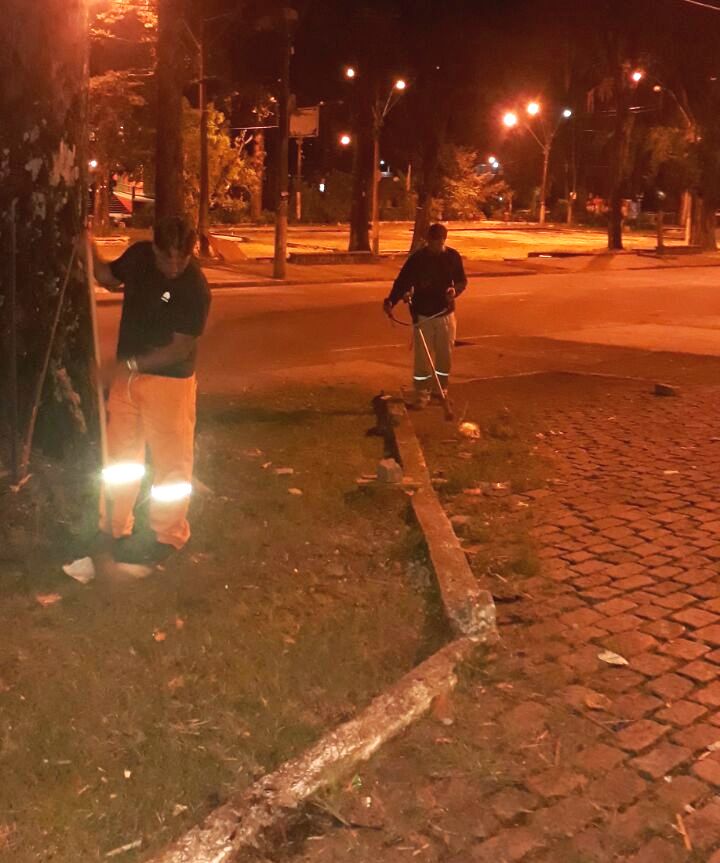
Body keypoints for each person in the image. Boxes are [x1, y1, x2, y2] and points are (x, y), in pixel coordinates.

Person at [86, 216, 211, 566]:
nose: (173, 267)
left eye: (181, 259)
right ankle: (114, 525)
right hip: (128, 380)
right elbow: (107, 277)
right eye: (166, 258)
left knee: (171, 463)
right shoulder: (139, 257)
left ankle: (168, 535)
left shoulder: (194, 288)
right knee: (120, 459)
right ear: (154, 247)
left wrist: (127, 366)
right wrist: (88, 244)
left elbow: (178, 350)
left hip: (170, 383)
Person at [383, 223, 467, 407]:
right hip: (423, 314)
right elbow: (402, 282)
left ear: (444, 240)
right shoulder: (418, 259)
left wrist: (455, 291)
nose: (435, 245)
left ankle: (440, 389)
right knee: (423, 357)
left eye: (439, 242)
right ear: (428, 240)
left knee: (445, 355)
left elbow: (462, 281)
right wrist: (391, 301)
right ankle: (422, 392)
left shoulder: (452, 257)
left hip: (445, 313)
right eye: (432, 242)